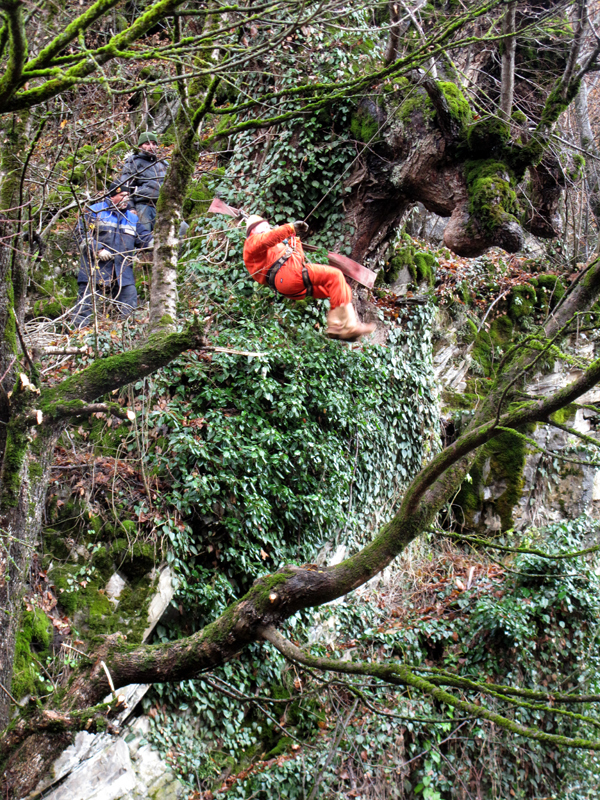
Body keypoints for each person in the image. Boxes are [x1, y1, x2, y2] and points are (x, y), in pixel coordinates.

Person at [242, 216, 375, 341]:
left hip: (290, 284)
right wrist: (289, 228)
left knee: (341, 288)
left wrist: (294, 241)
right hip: (288, 276)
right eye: (263, 227)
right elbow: (268, 238)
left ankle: (342, 325)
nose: (268, 229)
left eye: (268, 226)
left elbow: (298, 259)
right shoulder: (251, 244)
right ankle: (342, 325)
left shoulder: (273, 248)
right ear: (252, 231)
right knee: (336, 275)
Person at [73, 182, 152, 328]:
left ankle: (127, 338)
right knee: (84, 309)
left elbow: (144, 239)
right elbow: (80, 233)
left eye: (128, 196)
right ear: (112, 196)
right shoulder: (94, 211)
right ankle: (76, 337)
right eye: (122, 195)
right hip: (94, 270)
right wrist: (97, 249)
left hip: (122, 272)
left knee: (129, 308)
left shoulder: (132, 219)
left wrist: (157, 243)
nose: (126, 199)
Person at [119, 131, 168, 231]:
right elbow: (126, 187)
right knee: (145, 237)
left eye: (154, 144)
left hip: (163, 207)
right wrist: (130, 208)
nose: (151, 146)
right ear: (140, 146)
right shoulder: (133, 162)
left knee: (177, 232)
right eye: (147, 143)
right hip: (143, 206)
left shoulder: (163, 164)